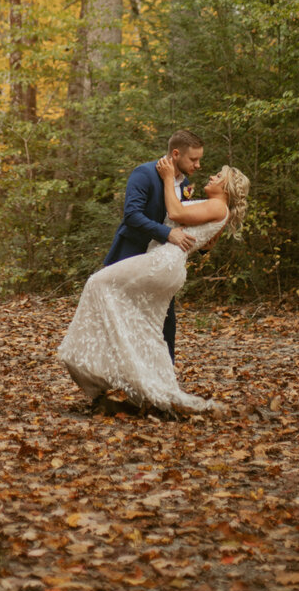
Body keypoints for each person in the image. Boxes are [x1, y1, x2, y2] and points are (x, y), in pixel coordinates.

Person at [58, 157, 249, 414]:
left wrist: (169, 178)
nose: (211, 176)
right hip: (164, 262)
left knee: (98, 283)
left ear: (226, 188)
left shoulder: (217, 205)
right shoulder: (213, 205)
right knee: (147, 329)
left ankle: (103, 366)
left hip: (164, 262)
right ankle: (146, 383)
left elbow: (176, 213)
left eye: (218, 176)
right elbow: (194, 230)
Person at [104, 130, 205, 362]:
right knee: (126, 322)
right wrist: (167, 234)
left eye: (199, 159)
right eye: (193, 159)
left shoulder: (185, 183)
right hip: (132, 256)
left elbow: (182, 218)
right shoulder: (144, 173)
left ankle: (164, 378)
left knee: (166, 322)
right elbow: (132, 215)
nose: (198, 165)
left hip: (162, 263)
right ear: (176, 154)